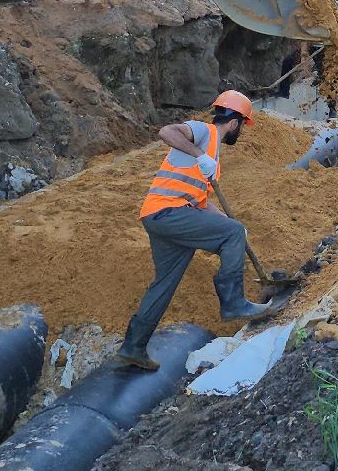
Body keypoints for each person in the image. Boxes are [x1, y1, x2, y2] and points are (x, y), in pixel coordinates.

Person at [115, 89, 275, 372]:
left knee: (164, 283)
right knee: (232, 232)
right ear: (235, 122)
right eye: (243, 126)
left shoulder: (212, 156)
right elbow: (166, 131)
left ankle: (133, 348)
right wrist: (200, 154)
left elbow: (201, 204)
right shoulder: (204, 133)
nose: (241, 131)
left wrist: (231, 226)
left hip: (160, 216)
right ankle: (233, 303)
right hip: (169, 213)